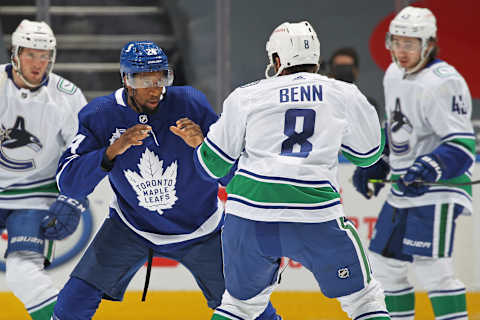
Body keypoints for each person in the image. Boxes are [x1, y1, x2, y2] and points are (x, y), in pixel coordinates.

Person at [172, 21, 390, 320]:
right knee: (364, 301)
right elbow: (367, 156)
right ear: (316, 57)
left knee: (239, 306)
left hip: (250, 216)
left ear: (276, 60)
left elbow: (213, 167)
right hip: (315, 215)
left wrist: (200, 143)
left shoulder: (245, 96)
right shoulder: (344, 93)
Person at [51, 40, 280, 320]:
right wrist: (113, 149)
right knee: (71, 303)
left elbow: (234, 174)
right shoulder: (100, 114)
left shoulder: (190, 103)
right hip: (130, 228)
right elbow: (68, 182)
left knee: (250, 306)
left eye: (161, 76)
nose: (155, 87)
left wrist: (204, 145)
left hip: (203, 230)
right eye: (145, 79)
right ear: (126, 78)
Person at [352, 6, 474, 320]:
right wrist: (379, 163)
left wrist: (430, 165)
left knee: (433, 268)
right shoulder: (393, 74)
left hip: (439, 185)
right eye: (397, 42)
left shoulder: (444, 82)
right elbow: (398, 129)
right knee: (384, 266)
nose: (401, 51)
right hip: (406, 188)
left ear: (428, 45)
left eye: (411, 44)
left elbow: (462, 146)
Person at [0, 19, 88, 320]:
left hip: (35, 195)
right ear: (15, 53)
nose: (38, 63)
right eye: (30, 54)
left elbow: (81, 153)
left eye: (44, 55)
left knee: (22, 272)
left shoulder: (67, 96)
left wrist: (74, 197)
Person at [328, 47, 381, 118]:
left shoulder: (367, 104)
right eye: (338, 68)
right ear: (330, 72)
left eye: (347, 68)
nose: (342, 73)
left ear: (356, 71)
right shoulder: (323, 103)